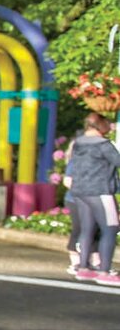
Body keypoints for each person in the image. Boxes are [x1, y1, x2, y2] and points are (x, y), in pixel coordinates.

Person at [66, 113, 120, 286]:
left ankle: (83, 268)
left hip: (80, 191)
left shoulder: (78, 143)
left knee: (87, 228)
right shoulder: (103, 145)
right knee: (110, 228)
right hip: (100, 190)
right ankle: (104, 271)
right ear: (100, 125)